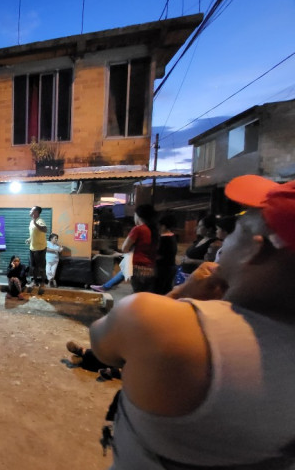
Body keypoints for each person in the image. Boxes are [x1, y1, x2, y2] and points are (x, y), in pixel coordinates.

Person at [89, 174, 295, 469]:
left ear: (254, 248)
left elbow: (101, 344)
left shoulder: (155, 320)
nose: (223, 242)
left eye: (235, 231)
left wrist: (183, 294)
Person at [121, 204, 158, 293]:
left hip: (138, 268)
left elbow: (124, 248)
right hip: (151, 269)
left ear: (138, 216)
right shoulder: (155, 230)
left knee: (137, 294)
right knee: (146, 295)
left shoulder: (138, 229)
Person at [175, 214, 218, 285]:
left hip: (197, 279)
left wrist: (191, 261)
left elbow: (211, 263)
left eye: (200, 226)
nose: (196, 228)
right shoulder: (201, 239)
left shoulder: (213, 243)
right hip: (186, 276)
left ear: (209, 229)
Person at [153, 213, 178, 295]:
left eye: (158, 226)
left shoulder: (164, 239)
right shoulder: (172, 237)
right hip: (170, 267)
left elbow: (159, 255)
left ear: (163, 226)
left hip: (162, 269)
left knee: (158, 292)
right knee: (167, 291)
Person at [26, 206, 47, 295]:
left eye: (32, 210)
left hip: (40, 248)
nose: (30, 211)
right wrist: (29, 239)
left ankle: (43, 283)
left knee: (41, 267)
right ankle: (35, 281)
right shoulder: (31, 221)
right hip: (32, 248)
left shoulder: (40, 221)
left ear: (36, 212)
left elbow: (45, 230)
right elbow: (34, 234)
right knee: (33, 267)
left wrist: (36, 223)